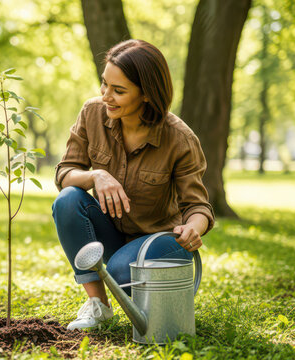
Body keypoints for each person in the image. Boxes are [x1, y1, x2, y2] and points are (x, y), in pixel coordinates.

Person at [52, 39, 215, 331]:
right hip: (111, 231)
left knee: (118, 272)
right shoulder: (92, 114)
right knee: (67, 200)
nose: (106, 96)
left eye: (118, 91)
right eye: (104, 85)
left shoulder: (180, 139)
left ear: (147, 95)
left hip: (157, 242)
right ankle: (98, 306)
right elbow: (65, 172)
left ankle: (129, 280)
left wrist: (195, 227)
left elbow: (197, 206)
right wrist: (95, 176)